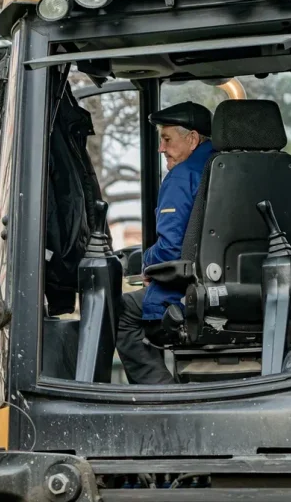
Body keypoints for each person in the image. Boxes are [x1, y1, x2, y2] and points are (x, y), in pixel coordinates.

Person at [116, 101, 215, 385]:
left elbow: (171, 249)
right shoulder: (233, 167)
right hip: (246, 296)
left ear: (193, 139)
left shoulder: (184, 176)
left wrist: (147, 264)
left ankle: (159, 393)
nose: (161, 148)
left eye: (167, 139)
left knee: (122, 310)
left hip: (189, 298)